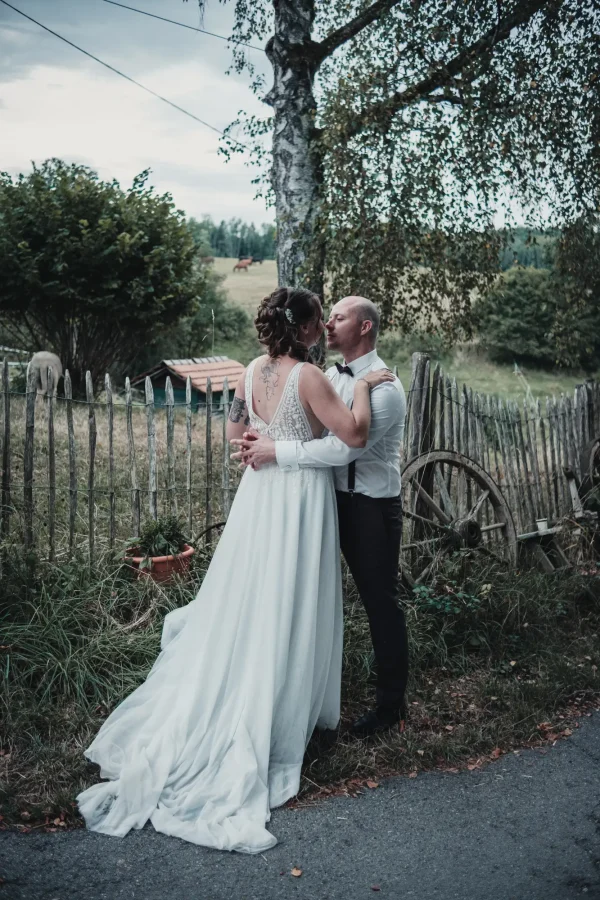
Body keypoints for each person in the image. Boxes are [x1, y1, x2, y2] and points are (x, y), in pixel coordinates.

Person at [76, 287, 394, 855]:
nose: (326, 326)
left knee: (252, 595)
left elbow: (234, 434)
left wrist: (264, 444)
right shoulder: (311, 378)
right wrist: (365, 387)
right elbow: (354, 437)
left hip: (258, 496)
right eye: (322, 319)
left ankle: (260, 687)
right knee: (288, 598)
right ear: (306, 327)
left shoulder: (250, 372)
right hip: (297, 499)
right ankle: (278, 706)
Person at [231, 295, 408, 738]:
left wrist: (274, 449)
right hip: (321, 503)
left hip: (368, 505)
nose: (329, 324)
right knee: (304, 596)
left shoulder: (385, 387)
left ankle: (390, 705)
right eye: (325, 317)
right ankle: (298, 695)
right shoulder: (323, 376)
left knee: (379, 603)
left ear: (365, 327)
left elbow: (343, 445)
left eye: (339, 317)